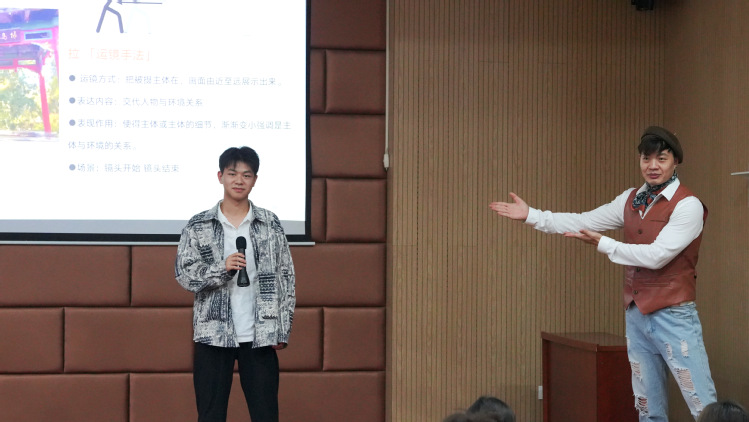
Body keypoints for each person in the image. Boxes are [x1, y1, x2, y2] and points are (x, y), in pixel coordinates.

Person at [489, 126, 716, 421]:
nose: (652, 166)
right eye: (646, 159)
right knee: (647, 407)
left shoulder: (688, 205)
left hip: (674, 315)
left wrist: (604, 243)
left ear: (676, 162)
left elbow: (657, 256)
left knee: (702, 404)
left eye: (661, 159)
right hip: (636, 313)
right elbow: (584, 220)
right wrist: (532, 215)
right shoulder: (630, 199)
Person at [175, 146, 295, 422]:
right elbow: (184, 273)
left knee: (266, 414)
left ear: (255, 180)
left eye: (246, 175)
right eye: (232, 173)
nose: (239, 180)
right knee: (210, 415)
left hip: (260, 333)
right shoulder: (199, 225)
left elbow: (286, 276)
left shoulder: (270, 223)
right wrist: (221, 268)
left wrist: (282, 327)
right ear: (220, 177)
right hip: (213, 334)